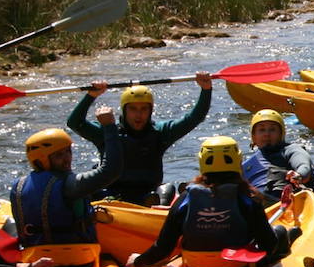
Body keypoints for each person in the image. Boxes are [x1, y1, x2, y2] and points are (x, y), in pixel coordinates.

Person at [126, 137, 289, 267]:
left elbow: (163, 248)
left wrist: (139, 260)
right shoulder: (248, 198)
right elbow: (268, 244)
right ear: (237, 161)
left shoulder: (186, 197)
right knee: (280, 232)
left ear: (202, 161)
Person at [11, 113, 124, 267]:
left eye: (68, 151)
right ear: (42, 159)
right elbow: (111, 170)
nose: (67, 159)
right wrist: (109, 127)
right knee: (110, 260)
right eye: (59, 155)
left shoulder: (17, 187)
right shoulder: (69, 184)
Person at [68, 73, 213, 206]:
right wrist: (91, 96)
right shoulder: (107, 131)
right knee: (90, 192)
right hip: (112, 194)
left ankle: (154, 209)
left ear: (150, 111)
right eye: (133, 109)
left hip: (149, 195)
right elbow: (74, 123)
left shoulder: (161, 132)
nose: (139, 115)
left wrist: (206, 90)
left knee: (167, 189)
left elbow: (195, 118)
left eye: (144, 109)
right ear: (124, 111)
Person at [242, 109, 314, 206]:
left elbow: (303, 164)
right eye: (261, 130)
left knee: (275, 173)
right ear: (253, 137)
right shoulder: (246, 165)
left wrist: (299, 175)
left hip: (285, 205)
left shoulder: (290, 150)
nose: (267, 134)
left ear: (281, 134)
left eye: (272, 129)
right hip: (256, 208)